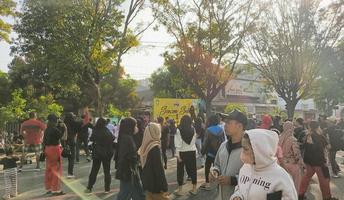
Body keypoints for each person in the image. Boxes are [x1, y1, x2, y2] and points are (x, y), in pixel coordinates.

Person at [230, 129, 298, 200]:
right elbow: (240, 187)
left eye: (245, 149)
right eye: (242, 148)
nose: (242, 152)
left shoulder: (281, 178)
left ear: (259, 150)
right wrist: (237, 196)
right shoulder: (246, 168)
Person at [209, 110, 246, 200]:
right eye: (225, 122)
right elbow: (217, 164)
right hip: (221, 195)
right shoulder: (223, 145)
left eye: (229, 123)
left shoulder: (248, 150)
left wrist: (233, 180)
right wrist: (215, 171)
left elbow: (254, 175)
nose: (225, 125)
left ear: (240, 126)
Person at [299, 121, 338, 200]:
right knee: (324, 180)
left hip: (308, 161)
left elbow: (302, 146)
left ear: (309, 127)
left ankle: (300, 195)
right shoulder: (320, 136)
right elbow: (329, 147)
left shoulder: (307, 135)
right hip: (319, 161)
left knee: (306, 177)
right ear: (318, 127)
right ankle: (327, 198)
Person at [115, 117, 145, 200]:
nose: (136, 128)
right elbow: (129, 156)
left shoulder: (126, 137)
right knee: (125, 193)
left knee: (138, 192)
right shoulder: (127, 139)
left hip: (129, 170)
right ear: (130, 126)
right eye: (135, 125)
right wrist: (137, 155)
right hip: (128, 170)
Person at [138, 123, 169, 200]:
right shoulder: (155, 147)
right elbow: (159, 168)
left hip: (147, 181)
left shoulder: (145, 145)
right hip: (155, 183)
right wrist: (164, 186)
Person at [85, 118, 115, 194]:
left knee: (94, 170)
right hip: (107, 153)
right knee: (107, 171)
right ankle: (107, 189)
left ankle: (89, 187)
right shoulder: (107, 131)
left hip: (97, 153)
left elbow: (91, 139)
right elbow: (113, 138)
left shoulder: (95, 130)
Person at [200, 114, 225, 191]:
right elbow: (223, 141)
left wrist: (202, 152)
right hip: (219, 152)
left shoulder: (208, 130)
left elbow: (205, 142)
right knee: (217, 169)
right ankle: (218, 185)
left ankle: (207, 184)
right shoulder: (221, 129)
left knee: (207, 168)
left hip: (210, 153)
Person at [174, 115, 198, 196]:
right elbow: (194, 142)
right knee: (193, 170)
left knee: (180, 171)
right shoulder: (193, 129)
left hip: (182, 152)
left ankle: (180, 190)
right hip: (192, 151)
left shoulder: (179, 130)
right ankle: (194, 189)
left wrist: (177, 155)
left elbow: (178, 144)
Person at [278, 121, 303, 193]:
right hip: (293, 165)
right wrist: (302, 165)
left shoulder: (279, 138)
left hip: (281, 164)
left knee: (283, 185)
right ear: (291, 128)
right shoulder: (293, 139)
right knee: (295, 185)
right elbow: (297, 154)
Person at [43, 114, 65, 196]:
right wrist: (63, 128)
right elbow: (61, 136)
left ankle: (48, 187)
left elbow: (44, 141)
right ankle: (56, 189)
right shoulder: (54, 129)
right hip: (55, 149)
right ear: (54, 121)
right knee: (57, 169)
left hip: (47, 149)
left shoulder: (47, 129)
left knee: (49, 169)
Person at [64, 112, 81, 178]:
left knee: (63, 157)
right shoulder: (75, 124)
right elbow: (81, 123)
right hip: (72, 141)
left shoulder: (63, 124)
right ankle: (70, 173)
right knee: (71, 158)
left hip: (64, 142)